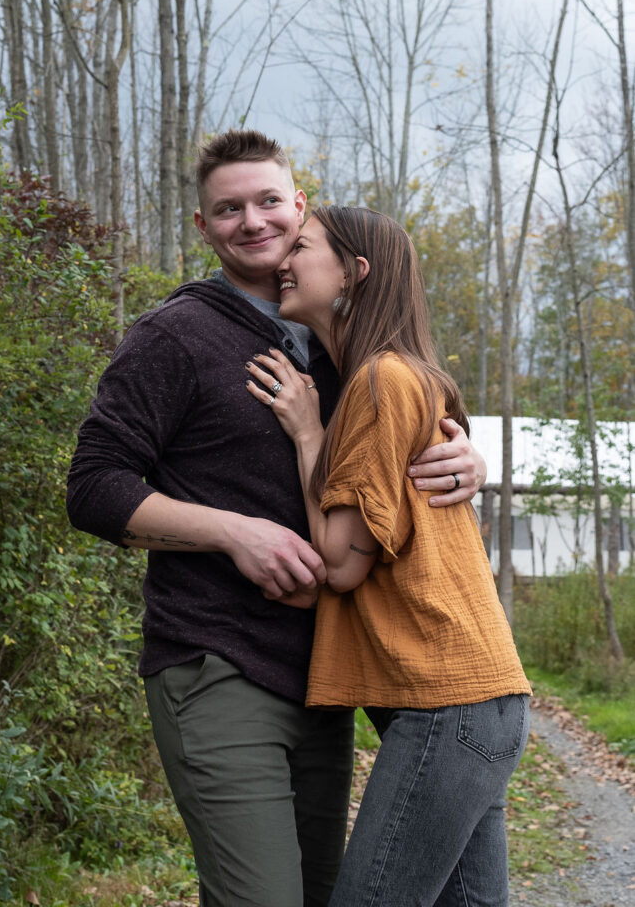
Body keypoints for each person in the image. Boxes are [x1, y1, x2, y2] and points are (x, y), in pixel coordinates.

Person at [67, 131, 487, 907]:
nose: (252, 222)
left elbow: (401, 445)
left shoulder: (344, 344)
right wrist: (234, 532)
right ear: (203, 227)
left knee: (326, 894)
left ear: (301, 208)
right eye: (228, 209)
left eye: (268, 202)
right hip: (217, 662)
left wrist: (469, 462)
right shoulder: (174, 337)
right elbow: (94, 487)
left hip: (324, 676)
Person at [245, 205, 531, 907]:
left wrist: (308, 435)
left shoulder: (378, 381)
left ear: (354, 273)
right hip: (483, 699)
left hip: (448, 702)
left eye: (303, 247)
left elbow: (342, 565)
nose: (284, 259)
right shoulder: (404, 376)